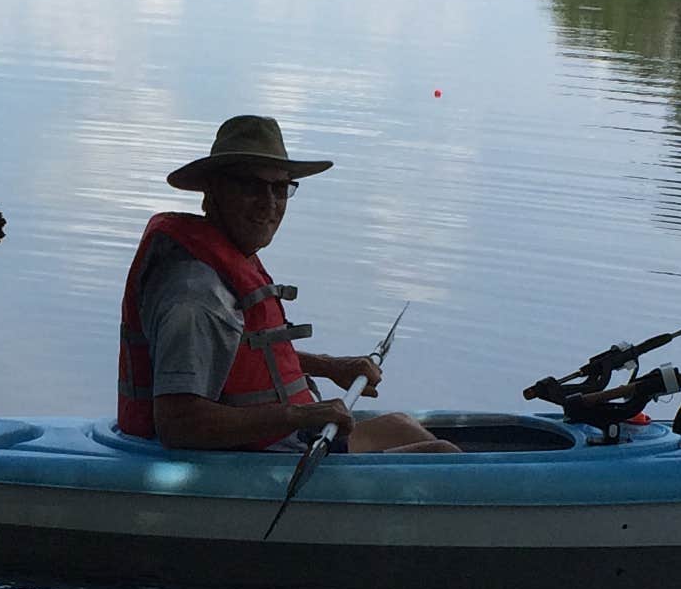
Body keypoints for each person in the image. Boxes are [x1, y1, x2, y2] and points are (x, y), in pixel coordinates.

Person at [117, 114, 455, 455]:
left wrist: (329, 366)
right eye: (251, 186)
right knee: (443, 456)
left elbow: (241, 350)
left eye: (279, 188)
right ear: (214, 189)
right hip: (255, 467)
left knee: (401, 425)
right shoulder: (195, 295)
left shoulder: (226, 260)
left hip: (286, 445)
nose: (269, 203)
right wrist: (298, 415)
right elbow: (178, 424)